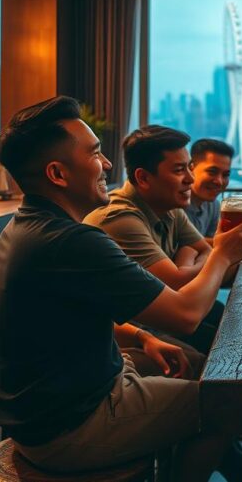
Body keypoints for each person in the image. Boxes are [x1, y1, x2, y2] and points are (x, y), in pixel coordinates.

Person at [0, 97, 242, 481]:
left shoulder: (28, 225)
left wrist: (142, 337)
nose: (108, 164)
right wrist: (222, 255)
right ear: (58, 174)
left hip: (44, 410)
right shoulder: (73, 240)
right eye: (94, 154)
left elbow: (67, 320)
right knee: (230, 400)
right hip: (69, 426)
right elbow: (186, 315)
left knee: (192, 365)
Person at [84, 125, 224, 355]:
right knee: (205, 361)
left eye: (189, 167)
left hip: (158, 322)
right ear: (143, 177)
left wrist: (186, 261)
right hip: (119, 336)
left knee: (224, 325)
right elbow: (176, 285)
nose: (190, 179)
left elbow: (203, 250)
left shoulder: (170, 206)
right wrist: (220, 254)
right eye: (179, 170)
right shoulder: (119, 217)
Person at [185, 138, 242, 248]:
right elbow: (185, 243)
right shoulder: (175, 205)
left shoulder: (213, 205)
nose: (219, 181)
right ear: (191, 168)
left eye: (225, 175)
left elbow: (214, 242)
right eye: (212, 172)